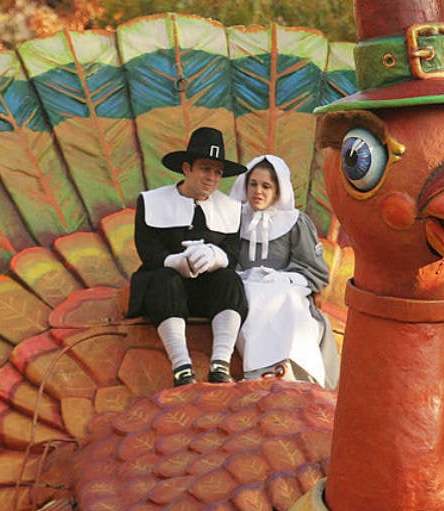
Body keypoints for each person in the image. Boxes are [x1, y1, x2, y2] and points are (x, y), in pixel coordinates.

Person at [126, 127, 248, 387]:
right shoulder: (150, 202)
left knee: (230, 279)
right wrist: (176, 262)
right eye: (205, 169)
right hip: (165, 290)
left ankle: (220, 364)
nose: (212, 178)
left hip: (207, 293)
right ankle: (181, 365)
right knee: (165, 279)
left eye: (218, 172)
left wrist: (215, 256)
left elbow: (233, 253)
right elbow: (148, 251)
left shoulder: (231, 209)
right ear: (186, 168)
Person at [228, 154, 338, 389]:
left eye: (266, 186)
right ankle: (260, 373)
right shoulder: (234, 219)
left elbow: (313, 271)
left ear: (278, 190)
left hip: (286, 290)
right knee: (250, 296)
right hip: (244, 289)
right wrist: (247, 276)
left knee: (286, 298)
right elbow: (226, 260)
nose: (258, 191)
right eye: (253, 184)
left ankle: (294, 371)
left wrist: (280, 278)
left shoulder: (295, 222)